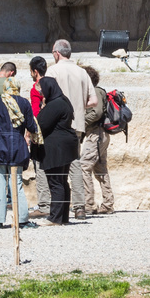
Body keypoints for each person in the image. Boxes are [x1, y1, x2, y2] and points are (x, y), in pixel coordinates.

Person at [47, 39, 96, 221]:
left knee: (57, 167)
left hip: (58, 125)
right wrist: (77, 105)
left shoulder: (53, 71)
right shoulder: (82, 72)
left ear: (57, 53)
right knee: (74, 164)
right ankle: (80, 207)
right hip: (77, 126)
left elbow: (47, 96)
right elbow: (93, 101)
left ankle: (58, 209)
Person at [0, 75, 38, 229]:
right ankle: (22, 220)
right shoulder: (24, 103)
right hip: (17, 146)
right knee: (17, 184)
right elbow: (31, 126)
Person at [34, 76, 79, 225]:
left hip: (56, 147)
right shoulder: (63, 100)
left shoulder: (55, 104)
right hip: (65, 144)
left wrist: (42, 109)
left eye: (42, 89)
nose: (41, 92)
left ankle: (55, 218)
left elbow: (42, 123)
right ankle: (62, 217)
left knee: (55, 182)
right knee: (62, 181)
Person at [79, 64, 115, 215]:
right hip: (100, 135)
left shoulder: (95, 92)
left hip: (96, 134)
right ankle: (108, 204)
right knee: (100, 169)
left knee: (83, 166)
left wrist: (81, 121)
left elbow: (97, 112)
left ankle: (88, 204)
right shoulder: (96, 91)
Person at [27, 56, 50, 212]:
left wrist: (30, 133)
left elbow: (35, 113)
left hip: (41, 132)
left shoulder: (36, 88)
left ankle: (44, 204)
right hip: (56, 129)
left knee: (40, 167)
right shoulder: (53, 84)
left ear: (35, 71)